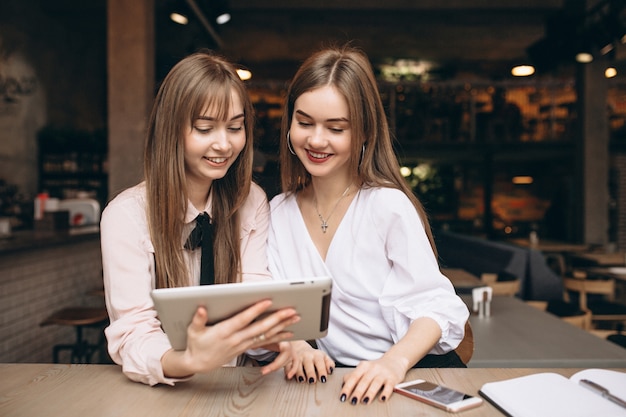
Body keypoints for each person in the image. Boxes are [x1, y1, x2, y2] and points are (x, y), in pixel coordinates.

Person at [268, 45, 469, 404]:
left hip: (409, 376)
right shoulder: (279, 213)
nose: (316, 140)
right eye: (304, 122)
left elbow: (438, 307)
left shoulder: (386, 205)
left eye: (336, 128)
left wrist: (392, 364)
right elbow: (270, 304)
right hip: (341, 384)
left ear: (362, 133)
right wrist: (296, 344)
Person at [101, 51, 300, 386]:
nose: (224, 144)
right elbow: (133, 331)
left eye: (235, 127)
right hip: (163, 390)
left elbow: (255, 294)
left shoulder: (250, 200)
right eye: (205, 128)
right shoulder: (126, 216)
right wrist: (187, 360)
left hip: (233, 389)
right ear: (170, 130)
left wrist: (287, 339)